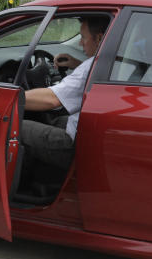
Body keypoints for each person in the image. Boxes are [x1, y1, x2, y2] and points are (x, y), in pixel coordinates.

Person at [20, 16, 108, 188]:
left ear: (98, 38)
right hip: (89, 133)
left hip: (75, 143)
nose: (80, 43)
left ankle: (23, 188)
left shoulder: (90, 67)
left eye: (83, 37)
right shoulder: (114, 61)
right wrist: (76, 64)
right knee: (49, 120)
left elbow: (52, 100)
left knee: (17, 127)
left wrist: (10, 98)